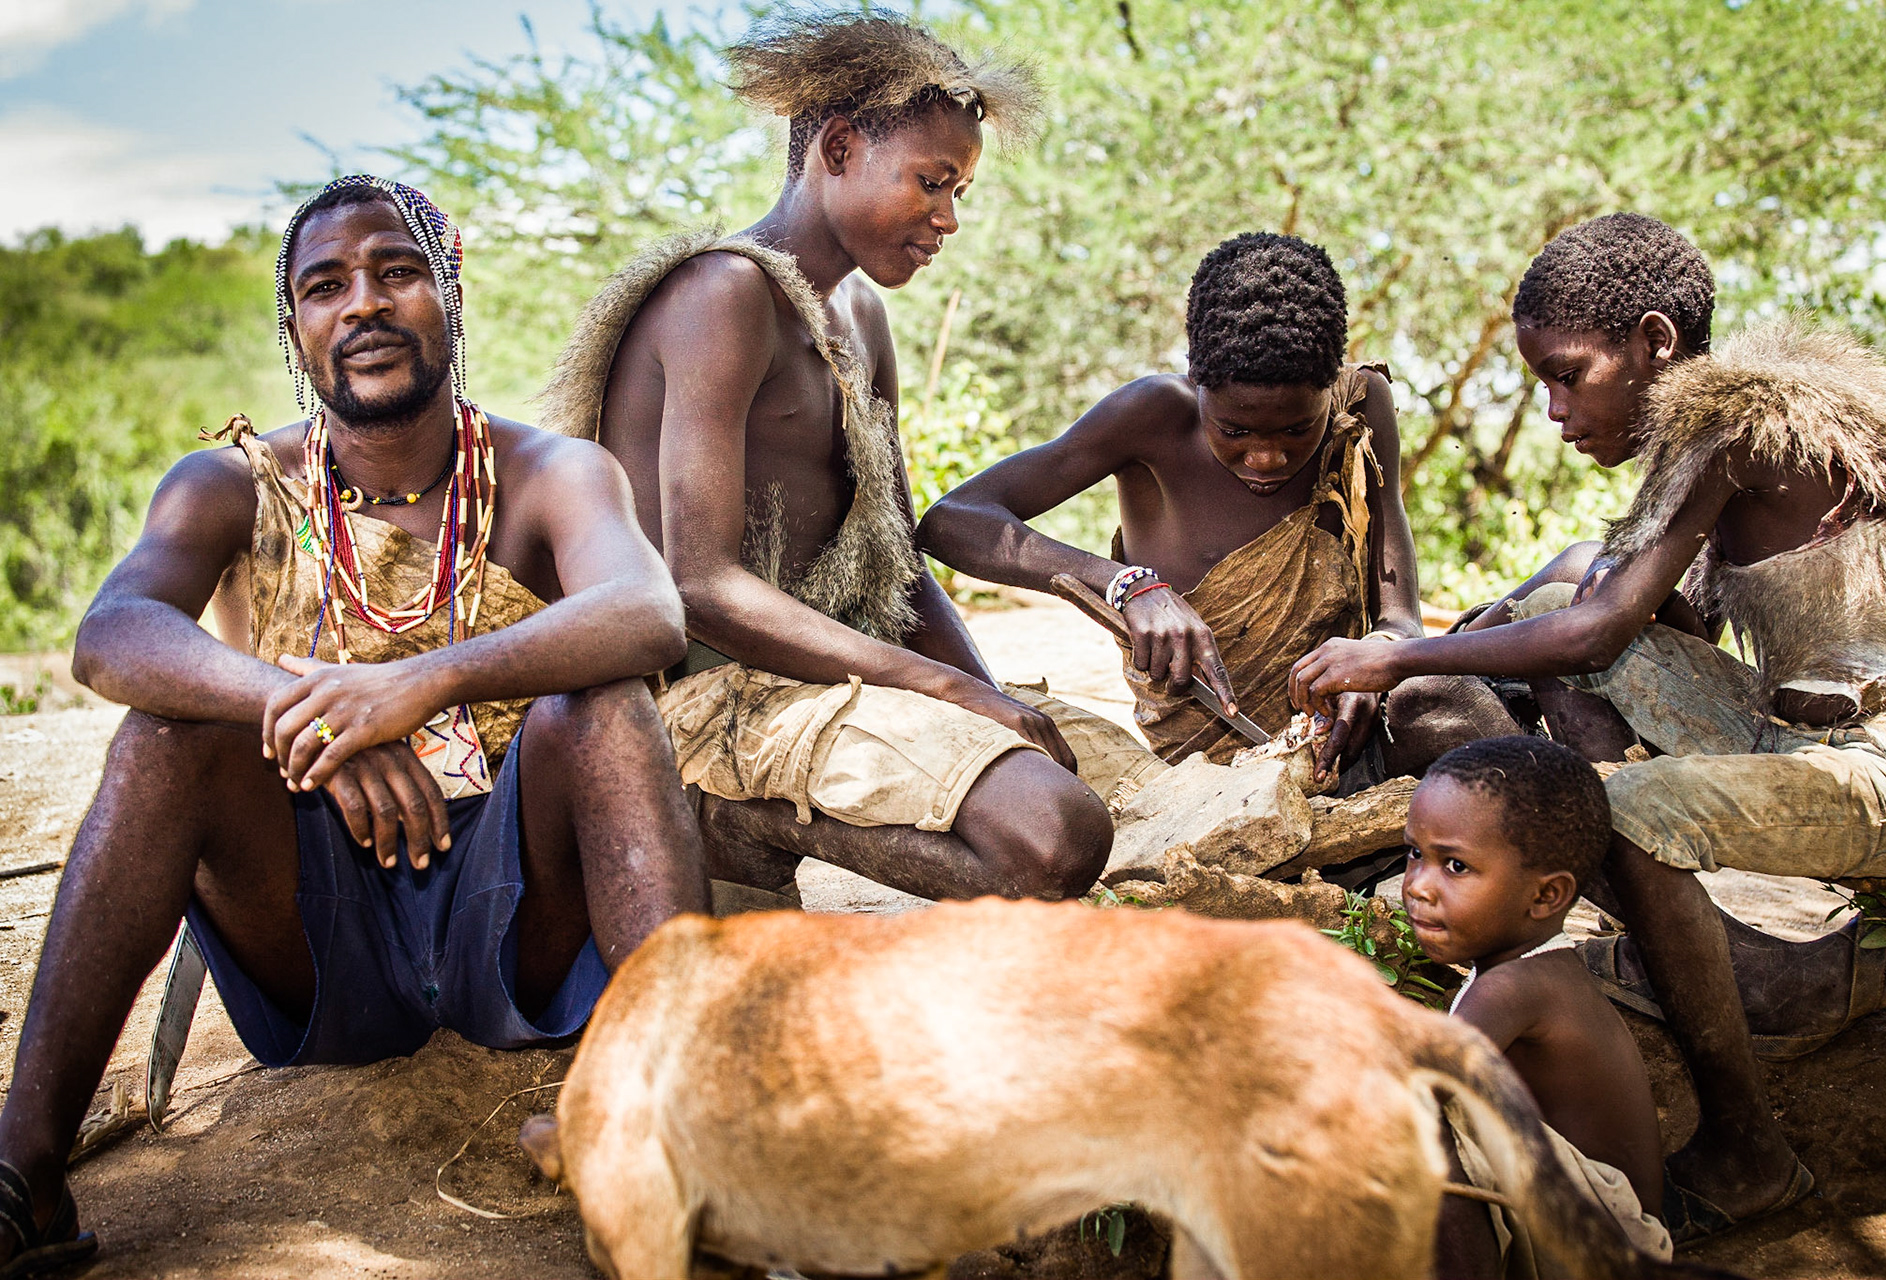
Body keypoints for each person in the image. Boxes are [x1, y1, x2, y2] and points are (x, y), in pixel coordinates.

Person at [0, 177, 708, 1274]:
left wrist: (415, 684)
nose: (363, 304)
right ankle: (22, 1175)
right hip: (320, 928)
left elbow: (646, 613)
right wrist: (311, 707)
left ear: (451, 287)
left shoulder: (547, 473)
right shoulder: (235, 485)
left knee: (605, 701)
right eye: (325, 286)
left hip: (515, 916)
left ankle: (686, 1129)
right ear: (295, 328)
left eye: (398, 271)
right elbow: (113, 632)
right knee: (162, 738)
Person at [1290, 212, 1886, 1240]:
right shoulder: (1708, 442)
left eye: (1569, 374)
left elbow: (1604, 629)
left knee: (1616, 807)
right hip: (1794, 730)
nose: (1550, 409)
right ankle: (1646, 933)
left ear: (1656, 343)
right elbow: (1637, 622)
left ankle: (1749, 1145)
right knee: (1562, 624)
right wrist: (1511, 620)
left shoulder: (1745, 422)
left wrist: (1398, 652)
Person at [542, 10, 1118, 904]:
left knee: (1076, 775)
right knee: (1057, 833)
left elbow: (895, 563)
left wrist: (992, 700)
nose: (949, 218)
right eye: (933, 182)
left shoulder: (861, 320)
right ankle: (717, 819)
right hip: (700, 702)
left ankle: (767, 837)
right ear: (839, 148)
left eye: (960, 190)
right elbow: (697, 583)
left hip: (808, 680)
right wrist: (953, 702)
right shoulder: (722, 295)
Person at [920, 232, 1514, 788]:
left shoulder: (1360, 408)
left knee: (1450, 700)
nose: (1266, 457)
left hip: (1346, 750)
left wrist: (1381, 657)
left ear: (1328, 390)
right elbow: (953, 520)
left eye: (1296, 429)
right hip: (1201, 776)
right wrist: (1128, 585)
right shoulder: (1154, 415)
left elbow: (1400, 615)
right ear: (1196, 382)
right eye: (1233, 430)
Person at [1404, 737, 1669, 1277]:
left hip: (1610, 1248)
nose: (1418, 887)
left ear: (1546, 896)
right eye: (1415, 854)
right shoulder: (1529, 968)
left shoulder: (1517, 988)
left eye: (1454, 866)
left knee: (1430, 1131)